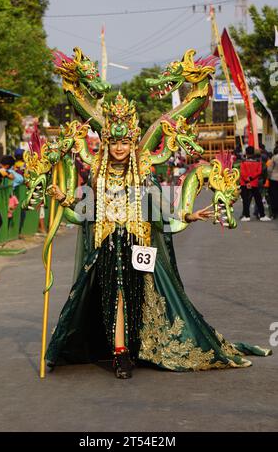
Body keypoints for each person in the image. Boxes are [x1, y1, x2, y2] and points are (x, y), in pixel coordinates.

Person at [44, 94, 271, 379]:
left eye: (125, 142)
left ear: (133, 143)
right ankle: (120, 352)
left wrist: (188, 215)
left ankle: (128, 350)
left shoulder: (143, 177)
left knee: (137, 298)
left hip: (137, 247)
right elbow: (83, 216)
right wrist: (62, 198)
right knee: (113, 297)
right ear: (106, 143)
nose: (119, 148)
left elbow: (163, 219)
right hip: (105, 250)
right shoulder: (96, 178)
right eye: (114, 142)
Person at [240, 146, 271, 222]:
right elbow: (259, 172)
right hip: (254, 183)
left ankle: (246, 216)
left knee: (245, 200)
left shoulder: (243, 162)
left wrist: (247, 180)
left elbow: (242, 172)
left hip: (244, 183)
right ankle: (262, 215)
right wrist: (251, 178)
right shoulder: (258, 162)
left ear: (246, 153)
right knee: (258, 199)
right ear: (253, 152)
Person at [268, 145, 278, 219]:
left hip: (274, 179)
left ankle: (274, 213)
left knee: (274, 196)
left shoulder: (274, 157)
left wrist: (268, 177)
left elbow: (269, 169)